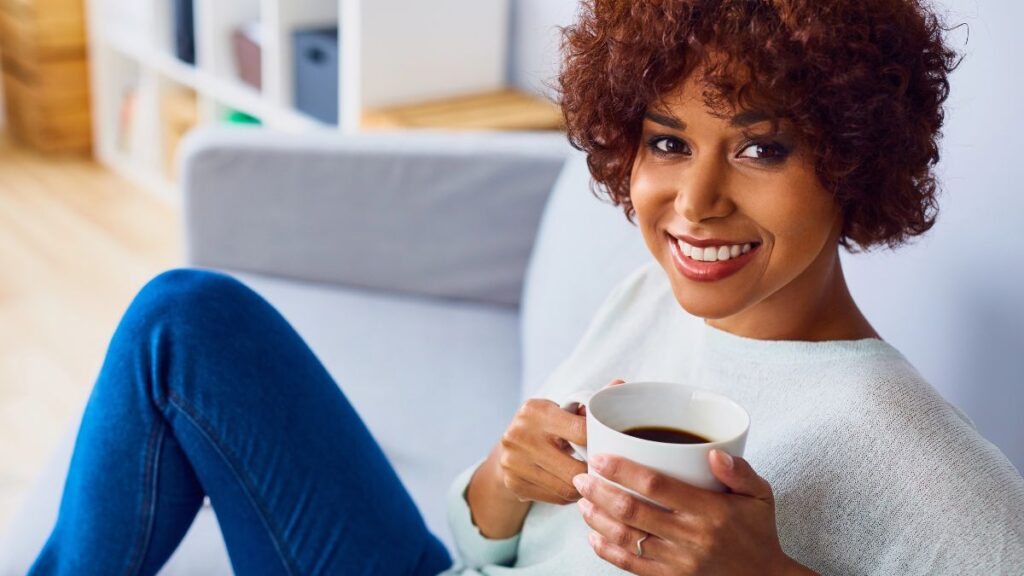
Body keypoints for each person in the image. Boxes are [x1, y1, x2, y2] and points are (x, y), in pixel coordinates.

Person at [30, 0, 1024, 574]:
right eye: (667, 142)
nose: (695, 200)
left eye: (761, 146)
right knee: (185, 320)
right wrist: (500, 485)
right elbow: (480, 546)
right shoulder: (656, 295)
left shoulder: (908, 455)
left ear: (854, 158)